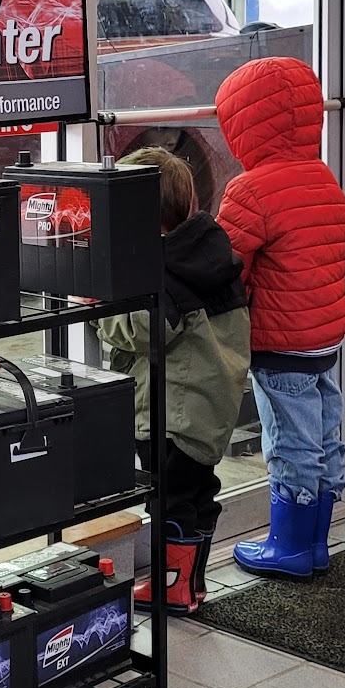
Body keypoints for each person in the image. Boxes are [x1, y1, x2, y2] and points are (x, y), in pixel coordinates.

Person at [212, 54, 345, 580]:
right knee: (324, 435)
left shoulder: (250, 190)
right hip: (322, 339)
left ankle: (287, 547)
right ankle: (316, 544)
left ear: (243, 125)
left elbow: (226, 265)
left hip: (280, 344)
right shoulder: (323, 177)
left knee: (290, 442)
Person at [96, 146, 250, 612]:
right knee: (198, 493)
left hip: (171, 415)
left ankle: (174, 588)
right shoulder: (206, 253)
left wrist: (98, 310)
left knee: (169, 499)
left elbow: (143, 330)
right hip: (208, 407)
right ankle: (191, 584)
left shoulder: (166, 270)